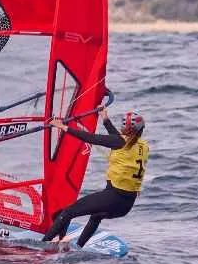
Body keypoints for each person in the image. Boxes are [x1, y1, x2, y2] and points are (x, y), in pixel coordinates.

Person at [41, 106, 148, 248]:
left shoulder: (119, 142)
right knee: (96, 216)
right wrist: (105, 119)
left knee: (67, 212)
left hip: (113, 198)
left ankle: (43, 245)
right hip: (126, 205)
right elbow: (117, 139)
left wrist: (62, 126)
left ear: (125, 129)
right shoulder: (143, 146)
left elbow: (91, 138)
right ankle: (78, 247)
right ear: (141, 130)